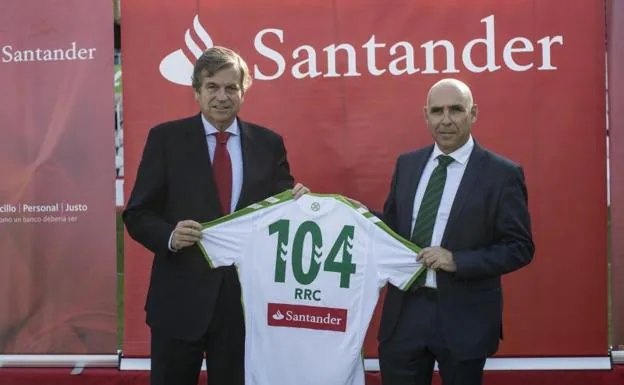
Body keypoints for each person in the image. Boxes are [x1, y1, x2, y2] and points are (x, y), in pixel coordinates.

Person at [123, 46, 308, 385]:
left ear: (243, 91)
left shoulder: (269, 144)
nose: (222, 97)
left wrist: (301, 203)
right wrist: (169, 236)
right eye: (212, 87)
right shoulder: (166, 139)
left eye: (231, 87)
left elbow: (283, 207)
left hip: (244, 306)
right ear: (196, 91)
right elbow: (138, 213)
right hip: (179, 302)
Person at [377, 78, 534, 385]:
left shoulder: (501, 174)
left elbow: (520, 247)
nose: (446, 120)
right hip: (404, 313)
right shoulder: (407, 164)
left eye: (456, 110)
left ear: (473, 113)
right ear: (426, 115)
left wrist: (457, 260)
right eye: (437, 111)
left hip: (465, 318)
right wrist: (341, 210)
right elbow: (391, 230)